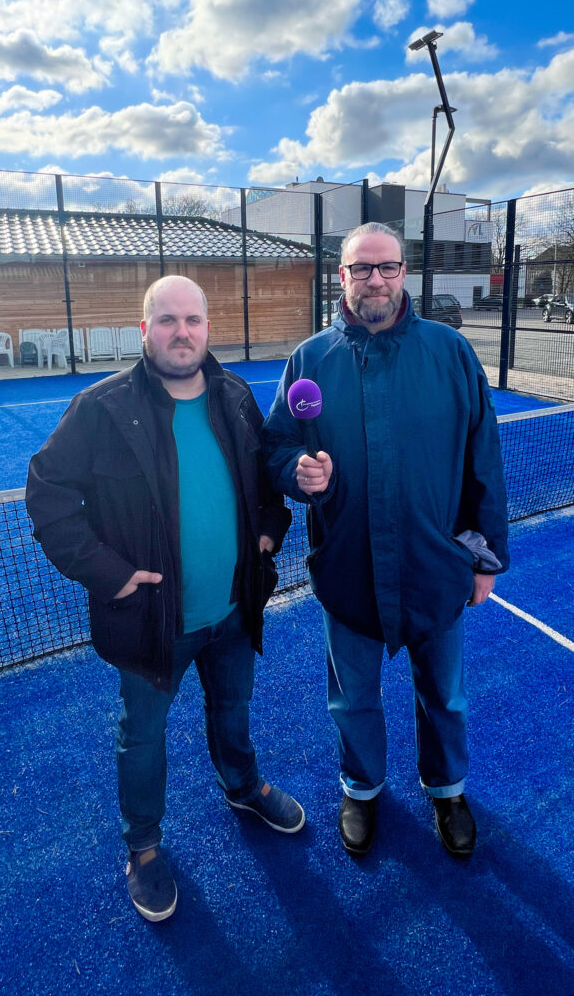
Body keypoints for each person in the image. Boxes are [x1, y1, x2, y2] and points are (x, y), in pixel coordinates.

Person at [26, 275, 304, 923]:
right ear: (144, 328)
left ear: (208, 329)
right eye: (168, 320)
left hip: (233, 610)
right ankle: (143, 847)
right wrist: (109, 573)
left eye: (194, 320)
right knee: (142, 738)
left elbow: (264, 482)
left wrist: (267, 531)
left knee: (232, 705)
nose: (183, 332)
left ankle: (241, 787)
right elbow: (47, 494)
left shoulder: (235, 397)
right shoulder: (101, 408)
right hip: (152, 619)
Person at [263, 223, 509, 860]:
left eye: (388, 267)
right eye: (361, 268)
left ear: (404, 273)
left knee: (446, 697)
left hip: (439, 568)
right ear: (341, 277)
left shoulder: (451, 352)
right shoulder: (309, 360)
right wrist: (297, 472)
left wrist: (486, 559)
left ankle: (447, 790)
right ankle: (362, 788)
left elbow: (484, 458)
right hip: (348, 569)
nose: (376, 279)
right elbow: (276, 449)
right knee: (353, 699)